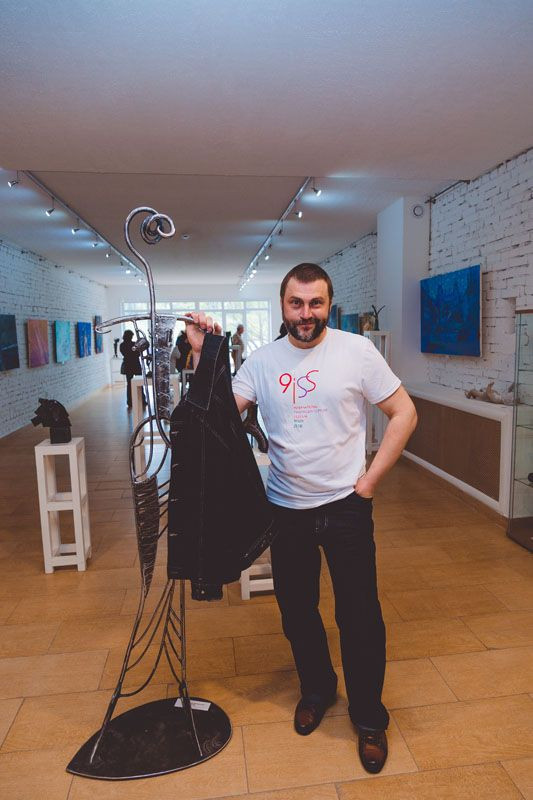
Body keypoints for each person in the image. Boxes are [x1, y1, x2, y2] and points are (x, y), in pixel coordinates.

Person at [184, 263, 417, 775]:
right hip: (286, 508)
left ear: (328, 304)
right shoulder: (263, 362)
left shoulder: (357, 351)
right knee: (297, 611)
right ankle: (317, 689)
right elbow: (214, 419)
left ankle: (368, 715)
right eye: (297, 303)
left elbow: (404, 412)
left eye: (315, 303)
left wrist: (369, 483)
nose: (306, 313)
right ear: (283, 305)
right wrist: (202, 354)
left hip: (346, 507)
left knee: (360, 616)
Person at [120, 329, 142, 408]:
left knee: (129, 384)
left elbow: (125, 354)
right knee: (140, 382)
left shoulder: (122, 345)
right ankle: (142, 400)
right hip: (135, 364)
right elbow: (138, 354)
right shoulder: (134, 344)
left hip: (128, 365)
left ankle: (130, 402)